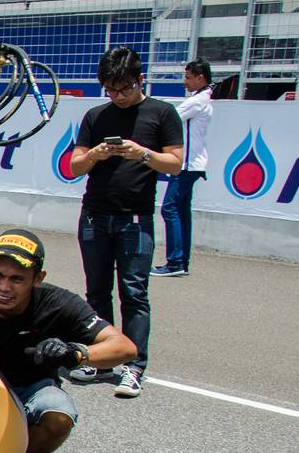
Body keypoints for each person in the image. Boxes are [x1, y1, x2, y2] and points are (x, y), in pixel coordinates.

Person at [0, 229, 136, 453]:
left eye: (16, 279)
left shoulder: (59, 303)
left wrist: (75, 354)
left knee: (59, 417)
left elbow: (125, 347)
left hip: (33, 388)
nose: (4, 287)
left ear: (38, 278)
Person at [65, 47, 182, 399]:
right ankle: (99, 358)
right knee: (96, 290)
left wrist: (142, 153)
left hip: (135, 218)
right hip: (95, 214)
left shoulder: (162, 113)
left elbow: (175, 163)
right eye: (112, 91)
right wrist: (95, 155)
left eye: (125, 89)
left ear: (139, 79)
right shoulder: (96, 116)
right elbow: (74, 166)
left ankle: (134, 366)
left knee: (133, 292)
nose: (118, 96)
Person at [155, 59, 213, 278]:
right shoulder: (202, 98)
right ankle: (181, 261)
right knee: (180, 211)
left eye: (188, 77)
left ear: (201, 78)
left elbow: (168, 119)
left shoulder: (197, 101)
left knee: (169, 209)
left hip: (186, 166)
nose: (184, 81)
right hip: (193, 165)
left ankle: (176, 262)